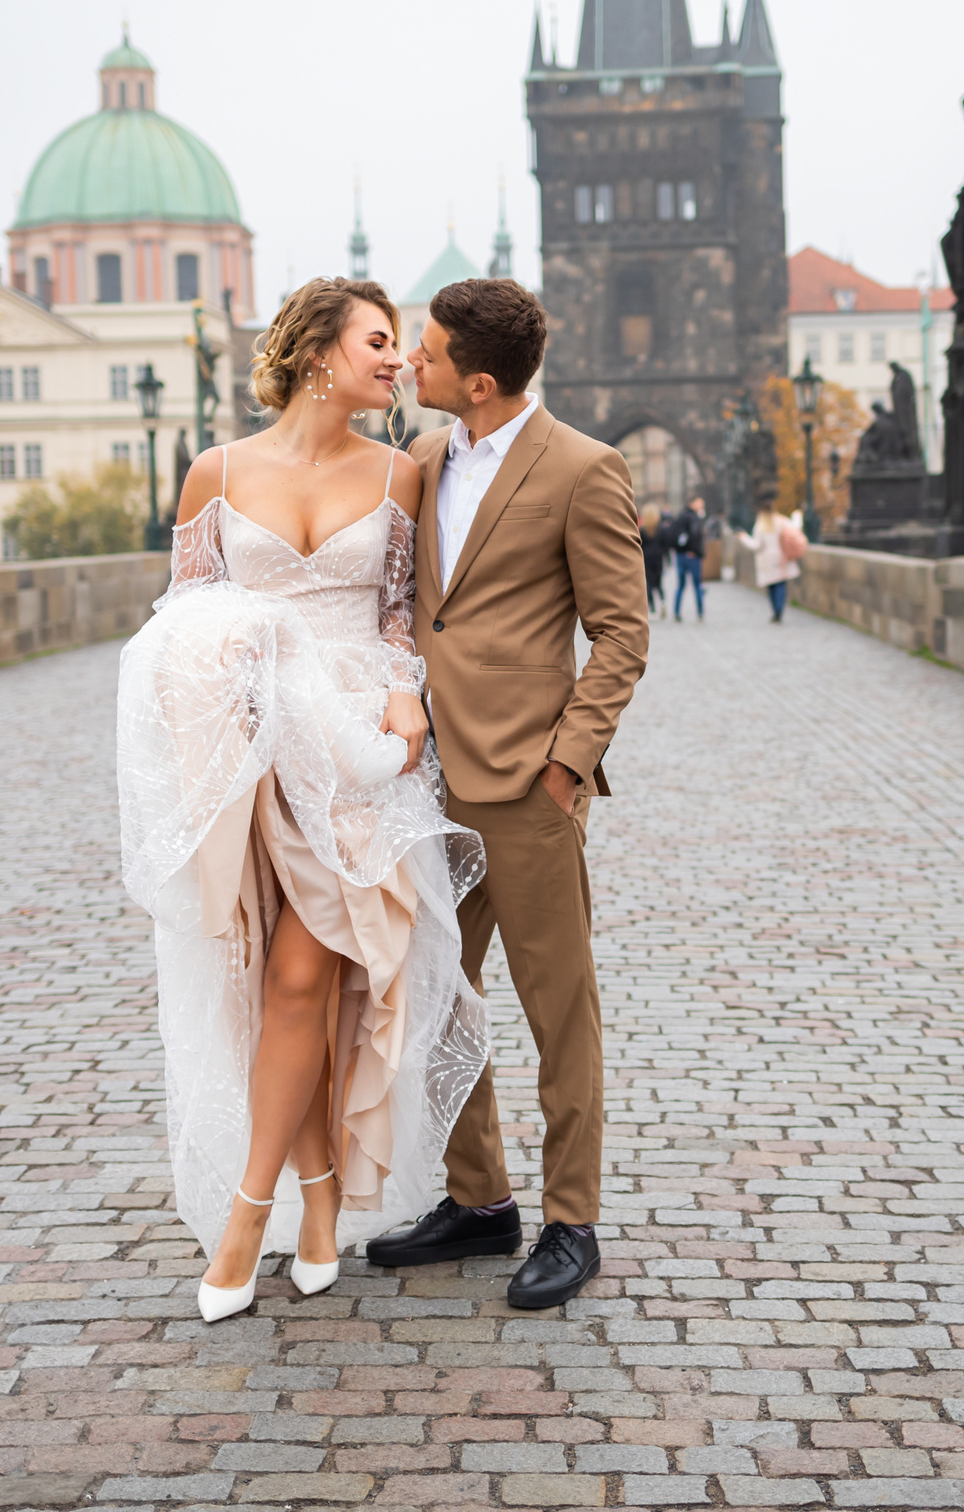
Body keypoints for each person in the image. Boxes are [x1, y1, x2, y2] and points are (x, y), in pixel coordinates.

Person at [114, 277, 490, 1324]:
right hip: (247, 755)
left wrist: (407, 700)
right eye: (380, 342)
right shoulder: (214, 473)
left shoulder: (398, 474)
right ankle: (319, 1199)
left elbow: (397, 623)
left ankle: (247, 1217)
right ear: (319, 350)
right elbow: (177, 635)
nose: (400, 361)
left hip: (355, 763)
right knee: (275, 989)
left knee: (302, 977)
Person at [367, 276, 650, 1311]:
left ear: (477, 381)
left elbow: (623, 633)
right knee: (439, 994)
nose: (411, 363)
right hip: (426, 775)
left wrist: (567, 764)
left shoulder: (584, 468)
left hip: (528, 781)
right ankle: (479, 1200)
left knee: (556, 1009)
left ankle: (572, 1220)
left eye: (428, 354)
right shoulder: (423, 458)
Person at [741, 502, 804, 622]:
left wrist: (744, 538)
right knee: (781, 585)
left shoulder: (760, 526)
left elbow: (756, 545)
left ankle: (775, 611)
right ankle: (779, 610)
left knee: (771, 586)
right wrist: (797, 515)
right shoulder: (781, 521)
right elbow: (795, 528)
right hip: (781, 558)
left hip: (766, 561)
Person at [668, 496, 709, 622]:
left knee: (680, 585)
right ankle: (700, 613)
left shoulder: (680, 516)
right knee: (697, 585)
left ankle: (676, 612)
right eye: (700, 503)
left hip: (680, 555)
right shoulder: (694, 518)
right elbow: (696, 535)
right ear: (693, 503)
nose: (702, 505)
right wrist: (696, 552)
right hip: (692, 556)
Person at [638, 504, 667, 617]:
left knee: (648, 583)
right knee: (659, 583)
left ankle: (652, 608)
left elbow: (639, 545)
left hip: (646, 559)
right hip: (658, 558)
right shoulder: (661, 530)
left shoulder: (642, 530)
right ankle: (663, 601)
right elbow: (666, 546)